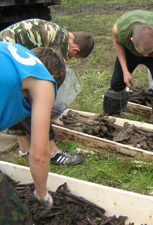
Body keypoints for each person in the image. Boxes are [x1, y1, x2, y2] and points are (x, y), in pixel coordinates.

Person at [0, 18, 95, 166]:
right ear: (76, 49)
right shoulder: (60, 44)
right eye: (75, 56)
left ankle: (25, 148)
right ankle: (51, 152)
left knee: (20, 98)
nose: (71, 58)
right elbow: (47, 80)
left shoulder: (61, 33)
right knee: (33, 101)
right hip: (9, 52)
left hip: (6, 51)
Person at [0, 41, 67, 209]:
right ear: (54, 79)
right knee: (13, 214)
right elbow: (39, 155)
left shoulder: (14, 51)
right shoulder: (44, 81)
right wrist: (42, 194)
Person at [103, 10, 153, 136]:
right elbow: (118, 44)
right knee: (117, 83)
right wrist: (125, 71)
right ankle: (112, 116)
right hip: (130, 52)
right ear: (131, 40)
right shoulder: (120, 30)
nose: (145, 56)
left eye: (148, 52)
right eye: (143, 53)